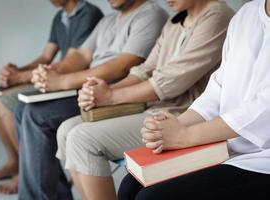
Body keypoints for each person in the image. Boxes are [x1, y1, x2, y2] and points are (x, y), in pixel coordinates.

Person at [56, 0, 234, 199]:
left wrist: (110, 96)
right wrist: (105, 90)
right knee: (65, 130)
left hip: (181, 116)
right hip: (153, 108)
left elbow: (171, 81)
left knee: (82, 139)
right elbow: (145, 69)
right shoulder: (176, 20)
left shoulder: (218, 16)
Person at [15, 0, 168, 199]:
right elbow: (80, 55)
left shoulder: (150, 15)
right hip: (88, 91)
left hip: (117, 95)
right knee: (22, 110)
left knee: (38, 115)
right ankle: (54, 195)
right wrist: (52, 72)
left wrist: (61, 81)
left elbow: (121, 67)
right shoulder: (108, 20)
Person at [118, 0, 270, 199]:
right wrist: (175, 125)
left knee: (153, 197)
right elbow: (218, 87)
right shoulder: (246, 14)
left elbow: (263, 110)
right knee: (130, 186)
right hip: (226, 146)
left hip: (262, 160)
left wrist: (184, 136)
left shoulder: (218, 15)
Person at [0, 0, 103, 195]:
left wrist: (21, 77)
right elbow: (45, 57)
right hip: (55, 75)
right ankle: (17, 164)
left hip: (73, 83)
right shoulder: (60, 17)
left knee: (10, 105)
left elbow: (74, 61)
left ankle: (27, 174)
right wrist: (17, 70)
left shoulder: (89, 14)